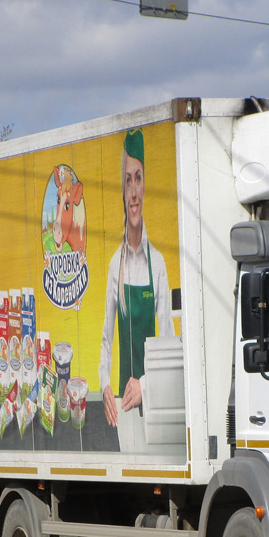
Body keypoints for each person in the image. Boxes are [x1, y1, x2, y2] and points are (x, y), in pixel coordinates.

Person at [99, 128, 175, 429]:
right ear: (122, 189)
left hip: (153, 405)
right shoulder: (114, 265)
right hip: (121, 412)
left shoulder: (157, 263)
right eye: (127, 180)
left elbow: (168, 344)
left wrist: (144, 384)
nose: (133, 191)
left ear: (144, 187)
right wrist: (105, 384)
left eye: (138, 178)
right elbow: (106, 339)